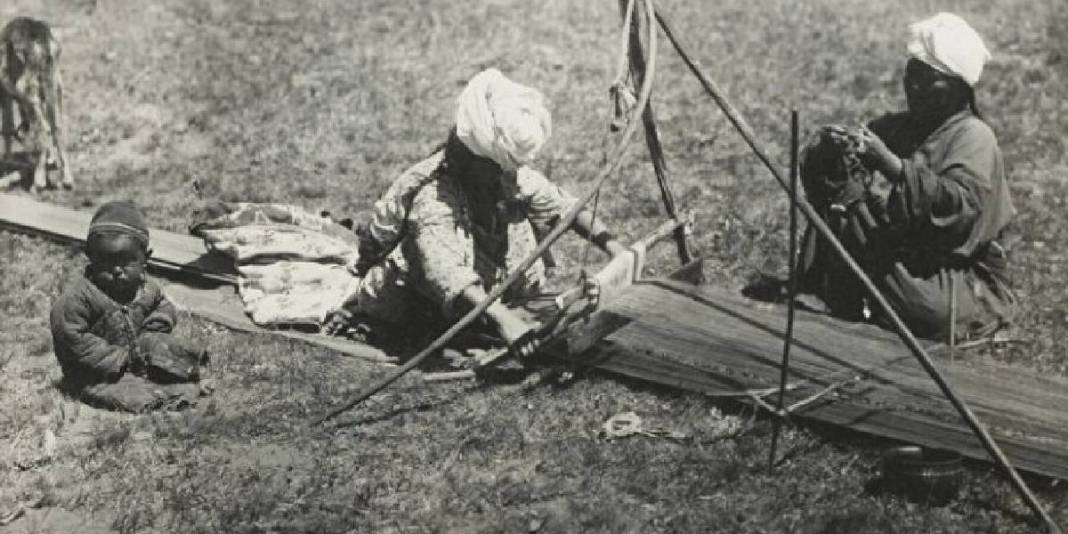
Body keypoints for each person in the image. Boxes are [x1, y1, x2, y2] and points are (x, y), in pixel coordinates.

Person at [325, 68, 627, 356]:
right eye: (497, 169)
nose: (505, 175)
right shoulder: (435, 196)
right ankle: (479, 316)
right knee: (434, 261)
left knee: (519, 212)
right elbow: (446, 271)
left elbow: (565, 208)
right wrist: (505, 321)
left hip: (486, 292)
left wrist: (618, 253)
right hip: (416, 299)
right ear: (472, 161)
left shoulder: (501, 174)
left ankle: (491, 309)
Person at [797, 12, 1016, 342]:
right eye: (911, 73)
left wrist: (893, 167)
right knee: (845, 199)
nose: (914, 85)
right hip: (899, 254)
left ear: (958, 89)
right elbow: (836, 184)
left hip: (948, 270)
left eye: (928, 78)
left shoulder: (974, 137)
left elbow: (960, 209)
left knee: (929, 312)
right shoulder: (898, 126)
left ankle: (861, 292)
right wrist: (833, 151)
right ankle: (832, 286)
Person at [50, 201, 210, 412]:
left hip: (138, 353)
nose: (117, 270)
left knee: (172, 351)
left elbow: (163, 306)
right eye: (106, 262)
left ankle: (192, 376)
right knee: (130, 393)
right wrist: (120, 359)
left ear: (146, 258)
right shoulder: (77, 299)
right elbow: (71, 337)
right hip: (97, 371)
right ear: (90, 255)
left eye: (126, 262)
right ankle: (164, 395)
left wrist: (154, 329)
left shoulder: (145, 289)